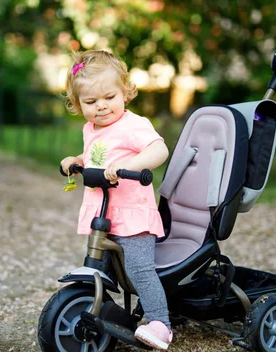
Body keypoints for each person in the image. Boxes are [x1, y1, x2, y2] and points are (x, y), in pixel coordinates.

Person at [60, 50, 172, 350]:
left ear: (125, 92)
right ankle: (109, 317)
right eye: (91, 102)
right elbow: (96, 156)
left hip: (133, 215)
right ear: (77, 104)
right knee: (104, 269)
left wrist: (132, 167)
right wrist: (76, 160)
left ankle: (160, 322)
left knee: (138, 269)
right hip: (106, 214)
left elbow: (159, 150)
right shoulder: (91, 129)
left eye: (109, 97)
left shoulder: (133, 124)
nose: (102, 107)